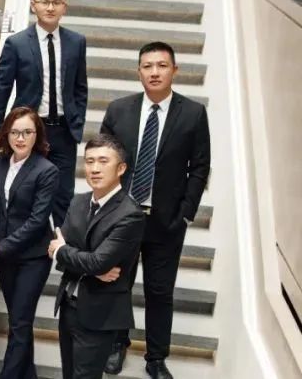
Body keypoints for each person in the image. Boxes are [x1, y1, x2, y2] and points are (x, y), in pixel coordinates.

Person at [99, 41, 211, 379]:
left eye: (162, 65)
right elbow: (103, 160)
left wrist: (186, 213)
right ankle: (116, 344)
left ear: (174, 70)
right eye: (147, 66)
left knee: (160, 292)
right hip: (123, 219)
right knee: (118, 284)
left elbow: (199, 167)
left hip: (166, 221)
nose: (154, 72)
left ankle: (156, 358)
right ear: (139, 72)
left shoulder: (193, 114)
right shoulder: (119, 110)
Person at [0, 0, 88, 227]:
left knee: (63, 196)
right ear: (34, 6)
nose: (50, 7)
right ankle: (23, 244)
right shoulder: (17, 43)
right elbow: (2, 87)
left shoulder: (76, 42)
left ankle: (62, 247)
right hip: (29, 130)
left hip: (63, 130)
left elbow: (80, 86)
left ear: (64, 7)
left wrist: (77, 120)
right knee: (25, 193)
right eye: (45, 2)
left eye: (56, 2)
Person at [48, 135, 145, 379]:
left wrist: (66, 252)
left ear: (121, 168)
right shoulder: (78, 201)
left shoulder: (130, 214)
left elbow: (94, 261)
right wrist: (88, 265)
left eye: (103, 161)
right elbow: (63, 250)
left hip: (99, 313)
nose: (94, 168)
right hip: (68, 304)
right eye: (89, 161)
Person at [0, 108, 60, 379]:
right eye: (14, 132)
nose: (20, 138)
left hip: (33, 258)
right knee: (19, 322)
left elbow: (38, 221)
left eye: (27, 132)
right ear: (6, 134)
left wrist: (2, 246)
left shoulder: (47, 171)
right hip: (6, 256)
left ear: (37, 135)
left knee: (20, 323)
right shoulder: (0, 163)